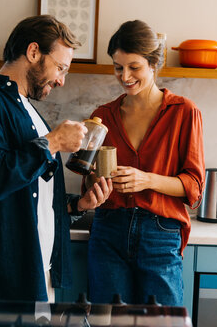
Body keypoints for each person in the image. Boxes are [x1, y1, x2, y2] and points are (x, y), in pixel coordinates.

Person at [0, 15, 112, 302]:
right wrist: (55, 141)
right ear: (33, 52)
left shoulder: (28, 110)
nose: (61, 80)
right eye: (60, 67)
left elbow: (31, 194)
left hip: (34, 273)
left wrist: (77, 204)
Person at [86, 20, 205, 306]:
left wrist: (147, 179)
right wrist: (93, 177)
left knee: (163, 323)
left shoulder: (183, 112)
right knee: (109, 322)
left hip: (160, 234)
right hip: (109, 230)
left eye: (134, 67)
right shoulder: (103, 115)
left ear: (153, 64)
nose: (124, 76)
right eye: (118, 67)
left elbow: (194, 187)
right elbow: (89, 185)